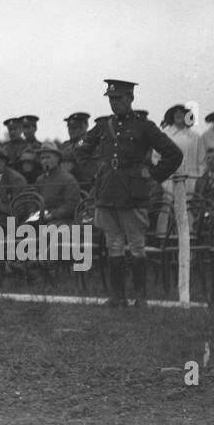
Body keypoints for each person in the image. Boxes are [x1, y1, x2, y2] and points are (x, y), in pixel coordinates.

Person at [72, 79, 181, 307]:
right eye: (111, 99)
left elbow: (173, 153)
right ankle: (118, 297)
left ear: (131, 99)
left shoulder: (145, 126)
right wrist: (94, 172)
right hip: (106, 192)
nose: (114, 103)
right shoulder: (102, 127)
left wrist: (153, 177)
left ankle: (140, 297)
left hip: (133, 194)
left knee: (136, 245)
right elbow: (81, 149)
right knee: (113, 244)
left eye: (119, 99)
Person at [158, 104, 204, 235]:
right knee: (166, 208)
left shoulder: (195, 137)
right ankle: (162, 239)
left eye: (182, 113)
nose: (179, 115)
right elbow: (156, 157)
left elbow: (201, 160)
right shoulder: (164, 135)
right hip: (169, 179)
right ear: (172, 116)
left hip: (190, 179)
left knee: (188, 208)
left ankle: (190, 239)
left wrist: (197, 177)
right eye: (176, 113)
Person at [34, 143, 80, 224]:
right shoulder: (40, 180)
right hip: (41, 218)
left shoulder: (68, 179)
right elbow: (35, 201)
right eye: (42, 158)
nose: (44, 161)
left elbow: (71, 205)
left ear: (57, 158)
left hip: (61, 221)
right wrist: (33, 213)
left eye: (48, 157)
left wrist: (53, 215)